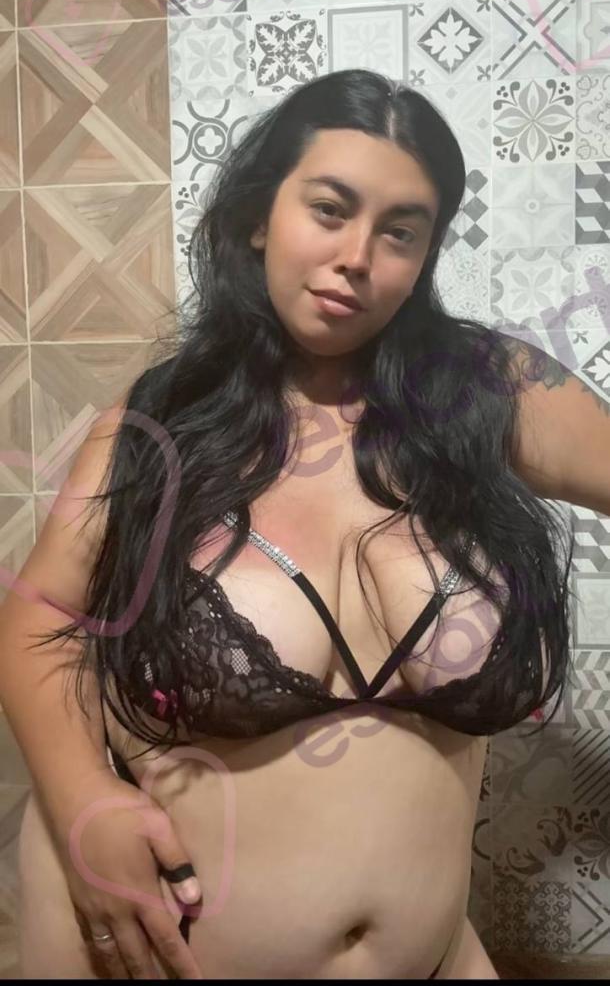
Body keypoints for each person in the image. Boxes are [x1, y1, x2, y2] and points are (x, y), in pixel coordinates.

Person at [2, 68, 609, 980]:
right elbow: (39, 611)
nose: (358, 255)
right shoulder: (163, 422)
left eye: (401, 231)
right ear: (260, 216)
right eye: (330, 209)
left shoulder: (490, 396)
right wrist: (86, 800)